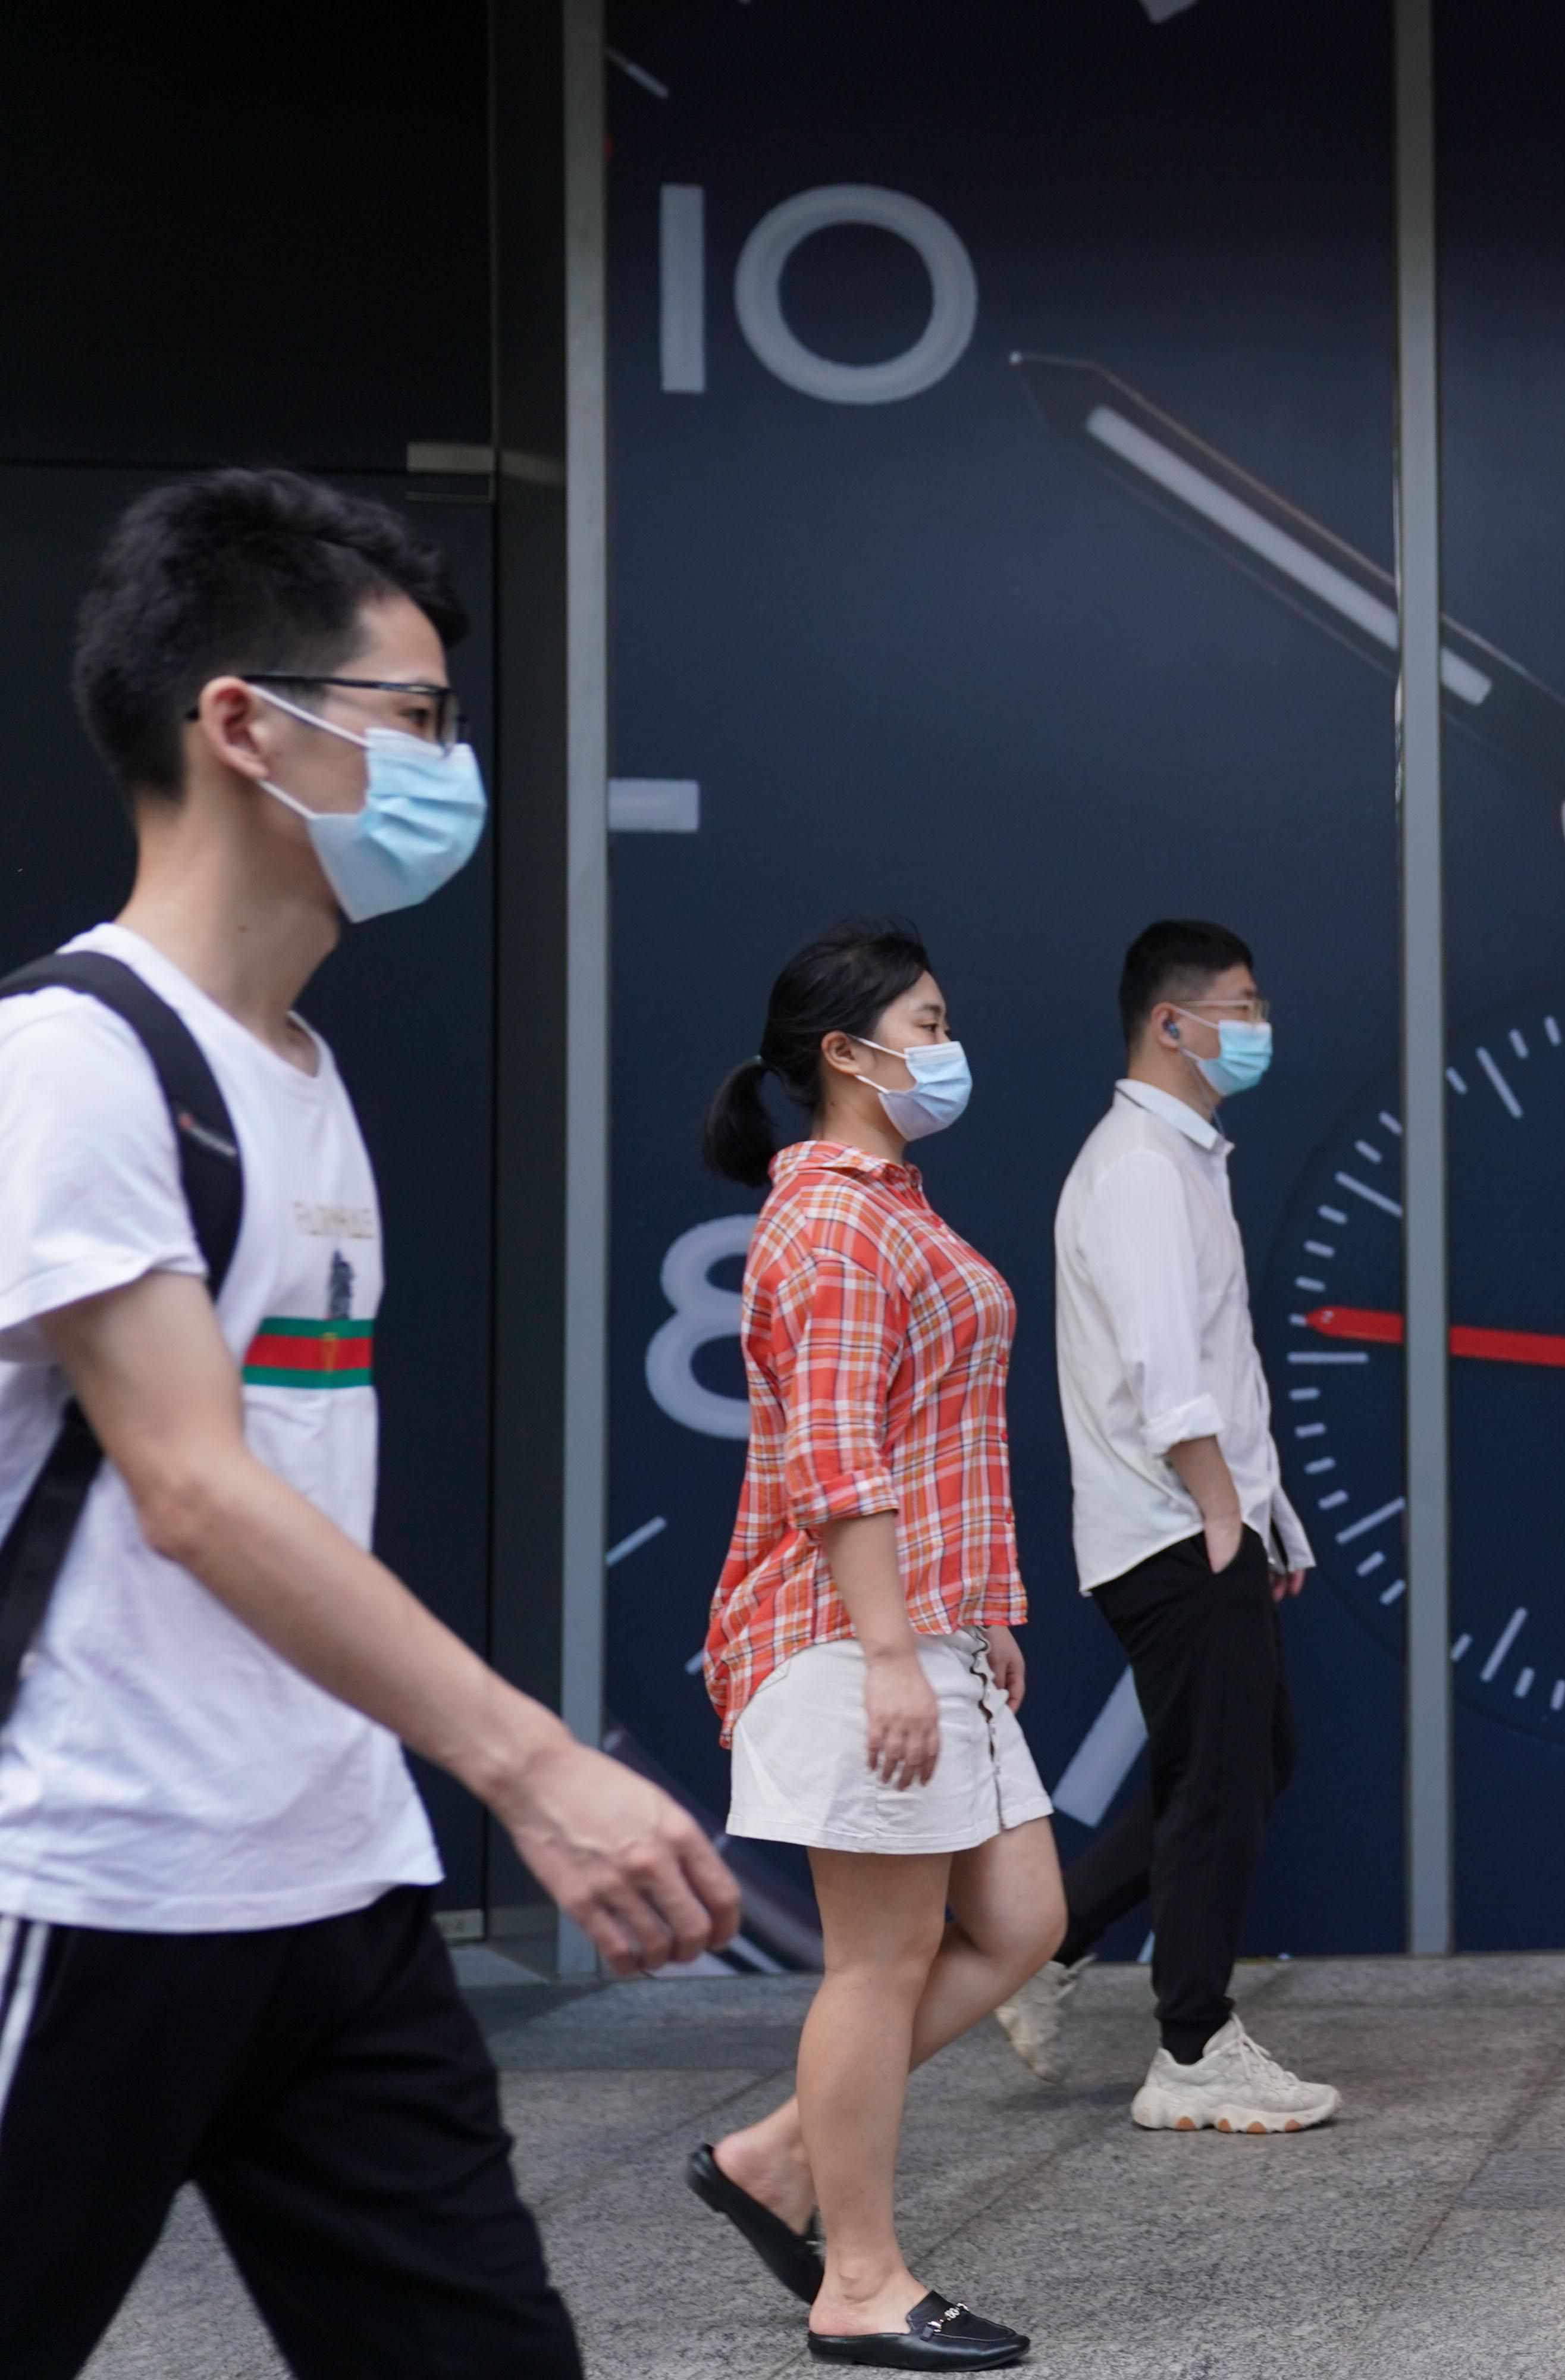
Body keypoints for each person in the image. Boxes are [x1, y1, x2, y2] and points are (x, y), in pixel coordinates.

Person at [0, 468, 739, 2377]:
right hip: (96, 1883)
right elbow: (190, 1487)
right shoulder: (74, 1061)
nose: (448, 770)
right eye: (413, 719)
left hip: (335, 1896)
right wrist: (534, 1766)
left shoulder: (303, 1073)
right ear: (242, 725)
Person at [682, 919, 1060, 2371]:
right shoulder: (834, 1222)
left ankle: (779, 2153)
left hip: (923, 1625)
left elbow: (936, 1430)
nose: (950, 1046)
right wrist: (897, 1650)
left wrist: (978, 1615)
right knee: (880, 1960)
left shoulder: (892, 1202)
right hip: (851, 1637)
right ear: (845, 1052)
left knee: (1020, 1921)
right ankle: (859, 2279)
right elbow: (839, 1460)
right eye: (929, 1022)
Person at [990, 919, 1336, 2133]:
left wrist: (1269, 1519)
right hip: (1173, 1524)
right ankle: (1191, 2047)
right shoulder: (1140, 1165)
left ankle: (1051, 1947)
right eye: (1242, 1006)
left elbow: (1217, 1359)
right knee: (1214, 1783)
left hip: (1201, 1518)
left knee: (1246, 1760)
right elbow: (1162, 1368)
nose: (1260, 1027)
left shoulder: (1179, 1158)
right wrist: (1223, 1506)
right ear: (1171, 1023)